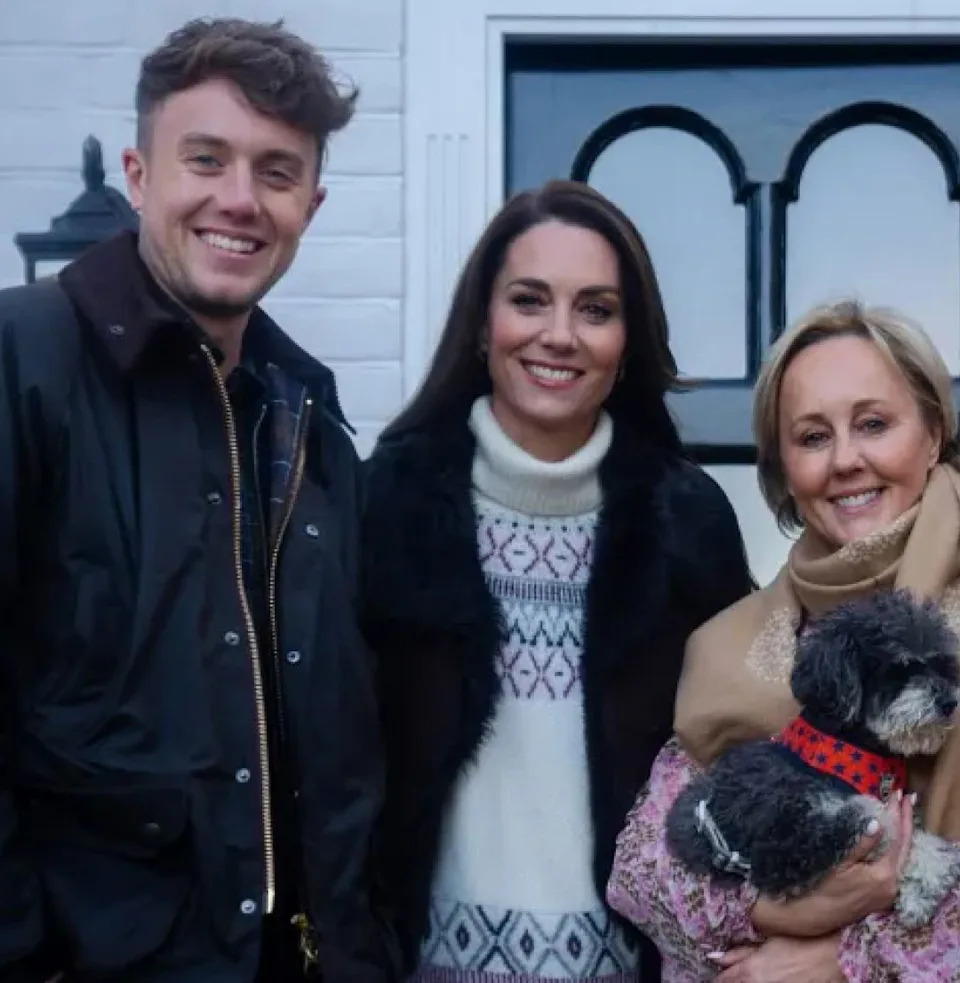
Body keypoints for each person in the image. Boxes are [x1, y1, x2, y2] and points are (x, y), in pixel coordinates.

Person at [0, 17, 394, 983]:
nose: (239, 199)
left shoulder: (312, 427)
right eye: (205, 158)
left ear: (312, 201)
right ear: (140, 175)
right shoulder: (24, 360)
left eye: (276, 170)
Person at [360, 179, 754, 983]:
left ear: (628, 340)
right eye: (530, 300)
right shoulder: (385, 504)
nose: (560, 335)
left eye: (597, 309)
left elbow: (745, 754)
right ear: (482, 323)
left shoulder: (687, 518)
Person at [607, 300, 960, 982]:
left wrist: (844, 960)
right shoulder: (729, 645)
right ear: (784, 469)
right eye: (812, 436)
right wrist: (777, 913)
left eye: (874, 424)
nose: (846, 460)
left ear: (934, 431)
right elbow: (643, 873)